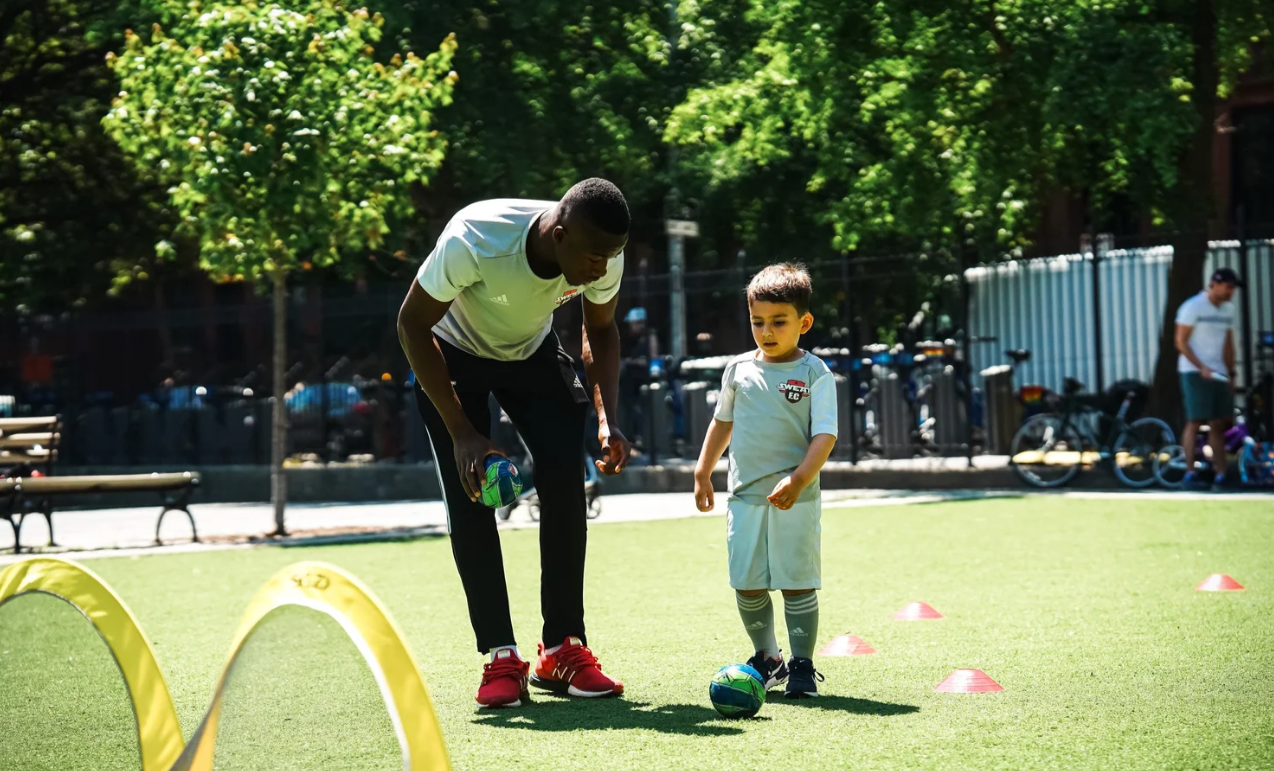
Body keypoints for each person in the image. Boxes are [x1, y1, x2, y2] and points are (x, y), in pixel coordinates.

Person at [397, 179, 633, 709]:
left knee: (564, 479)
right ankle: (500, 657)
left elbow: (601, 328)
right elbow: (411, 324)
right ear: (558, 233)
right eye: (595, 256)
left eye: (612, 256)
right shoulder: (476, 238)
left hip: (531, 353)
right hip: (451, 355)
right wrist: (463, 433)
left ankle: (562, 650)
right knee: (472, 495)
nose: (602, 268)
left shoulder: (602, 252)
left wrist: (607, 418)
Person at [692, 263, 838, 698]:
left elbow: (825, 436)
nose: (767, 331)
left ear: (804, 323)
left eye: (779, 322)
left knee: (796, 582)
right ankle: (768, 658)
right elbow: (722, 423)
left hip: (796, 499)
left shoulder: (815, 373)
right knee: (748, 582)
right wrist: (703, 471)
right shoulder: (737, 370)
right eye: (758, 322)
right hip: (745, 499)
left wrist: (798, 480)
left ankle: (802, 666)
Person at [1174, 267, 1243, 490]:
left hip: (1219, 371)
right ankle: (1190, 473)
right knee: (1195, 421)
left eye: (1233, 288)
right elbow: (1180, 342)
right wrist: (1200, 367)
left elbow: (1228, 343)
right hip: (1194, 372)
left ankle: (1220, 474)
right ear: (1215, 284)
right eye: (1228, 287)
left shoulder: (1228, 310)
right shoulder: (1192, 307)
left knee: (1218, 423)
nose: (1231, 292)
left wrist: (1231, 373)